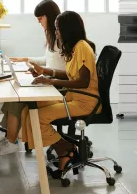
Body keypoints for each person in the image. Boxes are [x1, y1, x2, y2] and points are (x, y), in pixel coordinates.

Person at [20, 11, 101, 172]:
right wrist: (45, 71)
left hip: (85, 102)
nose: (56, 32)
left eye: (58, 28)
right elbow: (72, 75)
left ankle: (66, 150)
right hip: (73, 97)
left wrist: (51, 81)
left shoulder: (82, 47)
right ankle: (64, 148)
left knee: (38, 116)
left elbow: (83, 82)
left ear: (67, 29)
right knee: (29, 109)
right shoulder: (74, 47)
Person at [0, 0, 66, 156]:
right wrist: (26, 60)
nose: (39, 23)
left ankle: (11, 142)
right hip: (49, 80)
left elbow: (63, 69)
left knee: (17, 100)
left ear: (49, 17)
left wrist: (43, 71)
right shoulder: (52, 36)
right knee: (12, 96)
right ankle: (9, 138)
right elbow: (48, 59)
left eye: (40, 18)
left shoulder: (61, 38)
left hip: (57, 86)